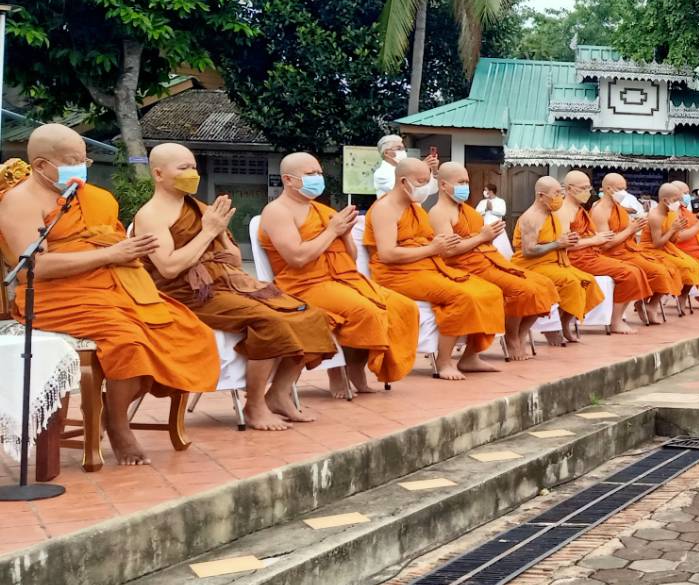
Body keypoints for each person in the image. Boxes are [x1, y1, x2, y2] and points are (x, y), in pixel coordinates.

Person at [0, 125, 219, 465]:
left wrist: (127, 252)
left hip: (114, 286)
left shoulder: (97, 198)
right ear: (41, 165)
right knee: (130, 342)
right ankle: (119, 425)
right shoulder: (20, 202)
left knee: (187, 331)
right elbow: (35, 267)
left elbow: (112, 244)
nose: (81, 166)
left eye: (84, 159)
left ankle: (112, 410)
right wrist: (110, 254)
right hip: (56, 298)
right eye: (71, 161)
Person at [138, 143, 338, 430]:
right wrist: (208, 231)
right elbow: (169, 268)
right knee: (269, 321)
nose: (192, 173)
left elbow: (232, 258)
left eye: (194, 167)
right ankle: (254, 406)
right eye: (183, 168)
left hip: (224, 283)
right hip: (185, 294)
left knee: (308, 313)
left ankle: (278, 394)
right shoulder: (151, 215)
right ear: (158, 174)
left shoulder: (201, 209)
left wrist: (217, 232)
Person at [260, 153, 421, 397]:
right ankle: (341, 370)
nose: (318, 178)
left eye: (319, 173)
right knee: (366, 311)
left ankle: (356, 366)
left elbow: (351, 257)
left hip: (344, 279)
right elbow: (297, 258)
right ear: (288, 180)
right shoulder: (277, 211)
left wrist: (344, 235)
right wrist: (332, 231)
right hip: (304, 285)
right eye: (310, 174)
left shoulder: (323, 210)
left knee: (404, 307)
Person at [366, 157, 506, 380]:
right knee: (461, 296)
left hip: (428, 268)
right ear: (403, 182)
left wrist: (448, 244)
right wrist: (432, 249)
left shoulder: (415, 209)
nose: (425, 187)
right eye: (421, 182)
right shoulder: (385, 209)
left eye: (427, 180)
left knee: (491, 291)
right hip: (398, 274)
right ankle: (444, 362)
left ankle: (470, 356)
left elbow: (430, 242)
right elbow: (388, 254)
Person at [432, 163, 558, 358]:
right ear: (443, 185)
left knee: (545, 285)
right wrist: (482, 237)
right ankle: (511, 337)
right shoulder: (439, 213)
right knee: (523, 290)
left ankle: (521, 333)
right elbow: (449, 251)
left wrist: (487, 237)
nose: (466, 186)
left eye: (467, 182)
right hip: (467, 267)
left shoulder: (468, 210)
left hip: (490, 259)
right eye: (461, 182)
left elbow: (478, 239)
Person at [511, 176, 606, 343]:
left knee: (587, 281)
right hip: (532, 265)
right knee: (572, 283)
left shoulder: (552, 215)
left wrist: (568, 240)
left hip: (555, 263)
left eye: (561, 193)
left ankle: (564, 323)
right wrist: (557, 244)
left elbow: (557, 240)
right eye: (556, 194)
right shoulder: (531, 217)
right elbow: (528, 251)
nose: (560, 197)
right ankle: (531, 332)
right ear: (541, 195)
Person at [559, 171, 655, 331]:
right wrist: (594, 240)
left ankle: (619, 317)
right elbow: (564, 244)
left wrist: (596, 237)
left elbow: (589, 236)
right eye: (583, 188)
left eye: (589, 188)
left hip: (592, 254)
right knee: (630, 273)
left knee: (636, 270)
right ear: (569, 188)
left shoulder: (579, 208)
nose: (588, 192)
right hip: (577, 259)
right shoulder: (564, 211)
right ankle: (615, 321)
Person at [597, 173, 682, 312]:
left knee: (669, 268)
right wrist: (631, 229)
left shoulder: (619, 209)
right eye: (620, 189)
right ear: (607, 188)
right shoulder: (600, 210)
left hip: (630, 250)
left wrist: (633, 227)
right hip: (615, 254)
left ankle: (649, 305)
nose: (624, 193)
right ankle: (640, 305)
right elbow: (606, 244)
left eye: (625, 188)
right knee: (657, 271)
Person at [644, 182, 699, 304]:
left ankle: (682, 297)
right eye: (676, 200)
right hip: (651, 250)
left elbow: (673, 239)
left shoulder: (671, 213)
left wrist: (678, 230)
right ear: (665, 200)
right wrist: (673, 230)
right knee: (674, 269)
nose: (679, 203)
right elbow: (657, 244)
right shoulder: (655, 216)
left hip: (667, 248)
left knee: (695, 265)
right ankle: (652, 303)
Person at [371, 134, 437, 201]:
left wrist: (433, 171)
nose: (403, 151)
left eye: (403, 148)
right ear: (386, 153)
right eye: (399, 148)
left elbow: (432, 190)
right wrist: (421, 167)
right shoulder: (381, 173)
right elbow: (409, 192)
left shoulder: (404, 168)